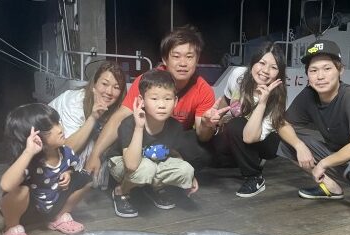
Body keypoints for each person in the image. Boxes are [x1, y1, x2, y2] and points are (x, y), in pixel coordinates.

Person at [85, 25, 226, 217]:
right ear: (165, 60)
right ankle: (126, 187)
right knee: (138, 163)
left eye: (189, 56)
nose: (183, 62)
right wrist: (95, 154)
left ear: (197, 59)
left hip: (168, 139)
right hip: (139, 138)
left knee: (203, 152)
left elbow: (202, 134)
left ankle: (157, 186)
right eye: (176, 56)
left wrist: (209, 124)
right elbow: (120, 117)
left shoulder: (203, 89)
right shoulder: (147, 81)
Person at [277, 39, 350, 218]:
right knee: (287, 141)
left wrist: (323, 163)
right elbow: (282, 123)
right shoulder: (309, 94)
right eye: (313, 71)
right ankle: (331, 187)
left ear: (340, 70)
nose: (320, 76)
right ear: (307, 74)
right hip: (338, 156)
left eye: (327, 68)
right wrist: (299, 146)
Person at [0, 104, 92, 235]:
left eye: (57, 122)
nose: (60, 128)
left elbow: (73, 167)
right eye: (50, 128)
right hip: (28, 211)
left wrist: (68, 173)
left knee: (85, 179)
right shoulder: (29, 161)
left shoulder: (66, 152)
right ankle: (11, 228)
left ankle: (59, 217)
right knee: (19, 191)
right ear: (32, 137)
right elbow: (6, 185)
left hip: (53, 204)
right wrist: (29, 152)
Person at [107, 69, 199, 217]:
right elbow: (131, 165)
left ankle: (153, 188)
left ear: (175, 101)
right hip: (121, 163)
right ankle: (121, 191)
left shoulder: (175, 126)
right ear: (141, 101)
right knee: (146, 168)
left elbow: (173, 152)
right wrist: (139, 126)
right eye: (154, 99)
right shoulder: (129, 123)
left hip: (150, 163)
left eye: (167, 99)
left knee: (186, 169)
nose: (161, 105)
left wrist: (191, 176)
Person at [210, 42, 287, 197]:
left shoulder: (276, 97)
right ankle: (242, 158)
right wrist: (216, 122)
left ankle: (254, 176)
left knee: (236, 125)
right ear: (253, 63)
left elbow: (250, 136)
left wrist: (263, 101)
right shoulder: (238, 75)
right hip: (240, 132)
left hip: (264, 141)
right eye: (262, 63)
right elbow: (227, 98)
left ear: (279, 73)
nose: (265, 71)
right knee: (213, 151)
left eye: (273, 67)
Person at [49, 61, 126, 190]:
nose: (109, 91)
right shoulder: (75, 102)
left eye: (116, 87)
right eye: (104, 84)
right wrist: (93, 117)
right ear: (94, 84)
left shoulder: (116, 108)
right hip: (48, 150)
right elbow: (66, 148)